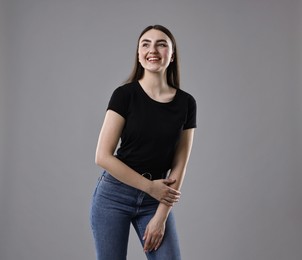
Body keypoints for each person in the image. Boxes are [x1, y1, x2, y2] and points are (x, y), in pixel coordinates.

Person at [90, 24, 197, 260]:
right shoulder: (124, 95)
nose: (153, 50)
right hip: (114, 195)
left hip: (155, 201)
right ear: (139, 54)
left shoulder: (186, 103)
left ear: (172, 54)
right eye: (145, 44)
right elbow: (102, 156)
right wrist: (150, 187)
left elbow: (180, 163)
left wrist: (161, 215)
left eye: (162, 44)